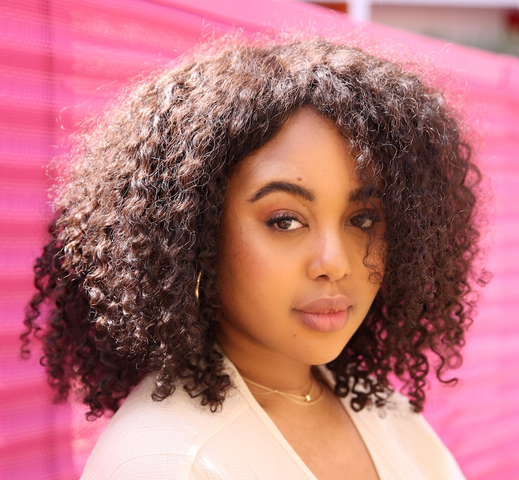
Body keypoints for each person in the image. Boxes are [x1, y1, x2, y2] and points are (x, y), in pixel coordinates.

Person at [22, 37, 485, 479]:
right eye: (285, 220)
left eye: (363, 219)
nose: (335, 262)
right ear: (195, 235)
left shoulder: (388, 414)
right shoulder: (165, 462)